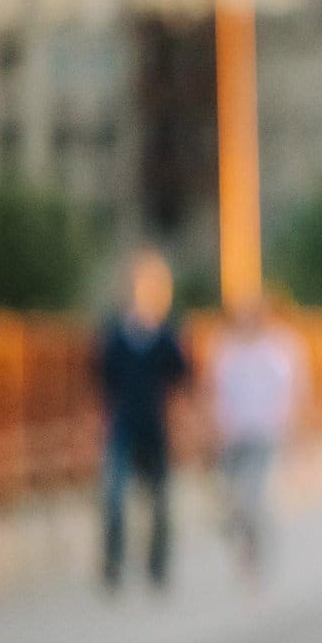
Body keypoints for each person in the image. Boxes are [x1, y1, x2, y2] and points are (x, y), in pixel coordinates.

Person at [92, 248, 192, 593]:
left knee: (160, 500)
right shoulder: (114, 335)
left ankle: (158, 564)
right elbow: (102, 380)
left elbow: (183, 377)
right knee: (114, 497)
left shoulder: (166, 335)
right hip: (122, 425)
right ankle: (113, 561)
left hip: (155, 426)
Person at [210, 296, 305, 588]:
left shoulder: (277, 349)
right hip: (232, 437)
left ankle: (254, 558)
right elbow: (216, 391)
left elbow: (290, 392)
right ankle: (244, 546)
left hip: (263, 435)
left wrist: (289, 430)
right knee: (229, 501)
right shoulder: (227, 349)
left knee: (250, 498)